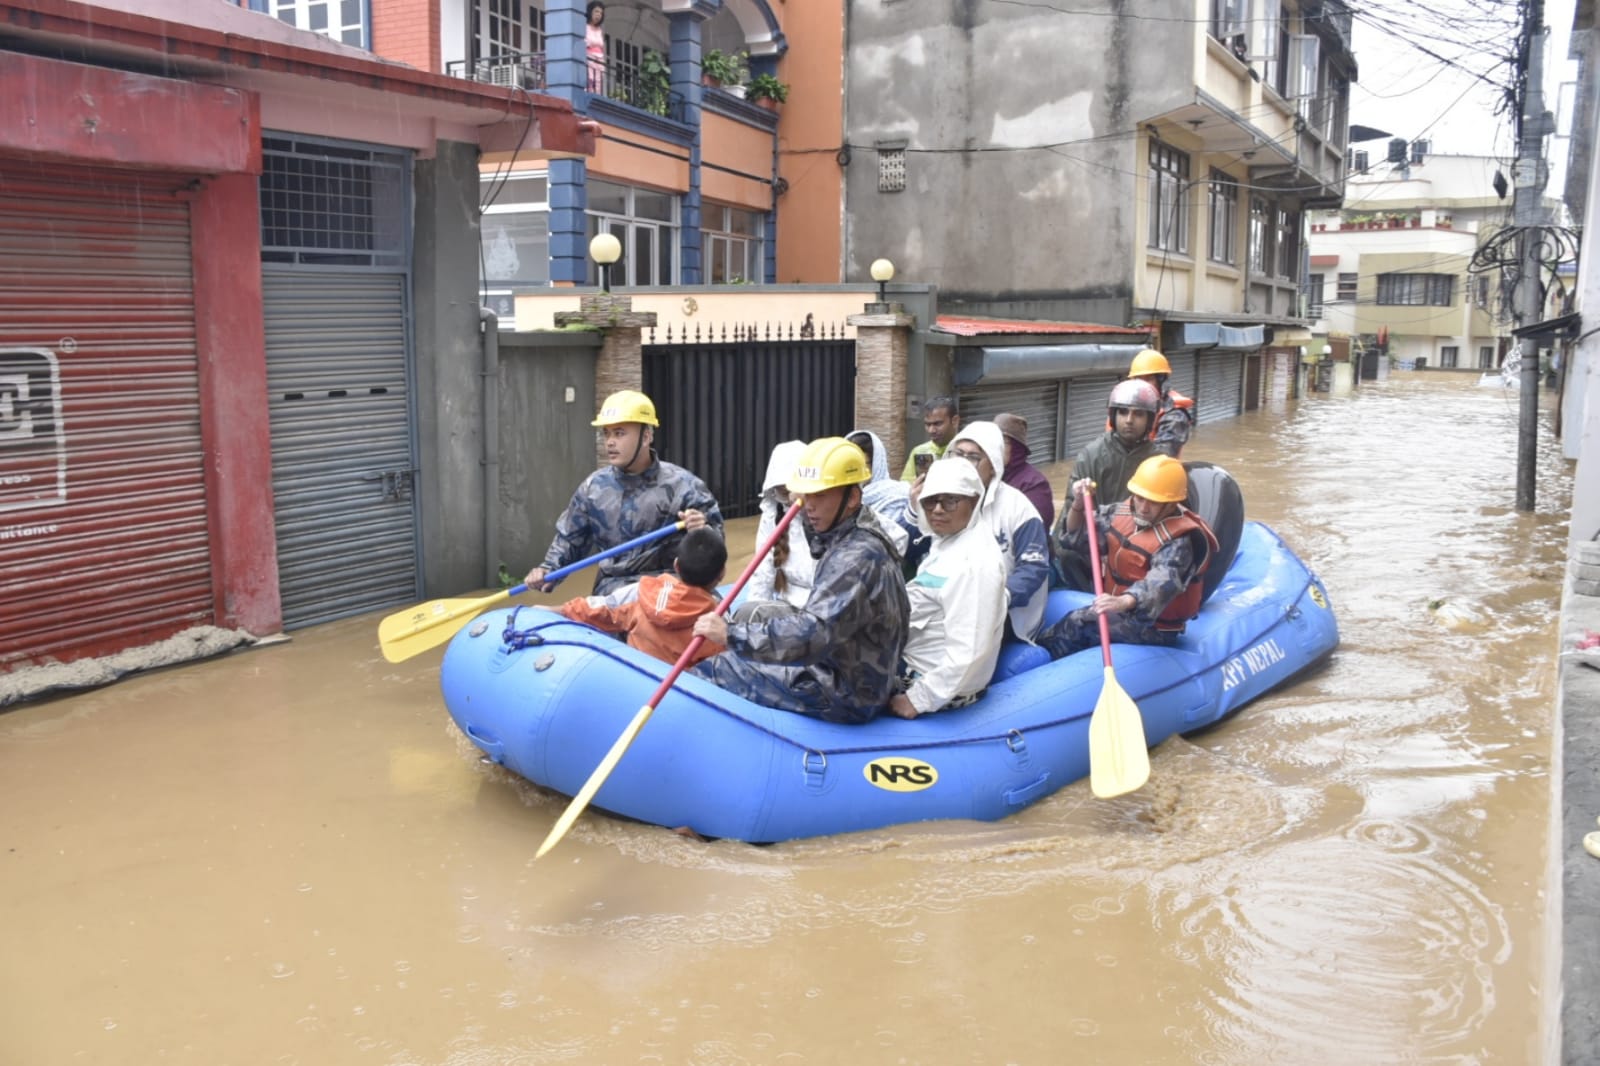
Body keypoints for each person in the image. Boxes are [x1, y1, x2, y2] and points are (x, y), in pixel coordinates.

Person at [690, 437, 909, 724]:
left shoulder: (854, 558)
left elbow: (813, 634)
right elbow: (816, 545)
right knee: (749, 621)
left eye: (819, 496)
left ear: (852, 497)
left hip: (846, 689)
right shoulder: (861, 525)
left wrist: (730, 635)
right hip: (855, 665)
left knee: (715, 668)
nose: (809, 507)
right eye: (805, 496)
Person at [524, 389, 720, 598]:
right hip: (615, 590)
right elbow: (570, 540)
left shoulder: (686, 486)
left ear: (646, 437)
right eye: (606, 433)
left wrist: (703, 531)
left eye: (619, 433)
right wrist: (548, 570)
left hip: (672, 587)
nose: (609, 442)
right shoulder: (593, 489)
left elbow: (716, 551)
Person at [1036, 455, 1220, 661]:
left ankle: (1042, 659)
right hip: (1121, 608)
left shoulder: (1179, 543)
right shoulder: (1123, 511)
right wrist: (1078, 504)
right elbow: (1075, 535)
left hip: (1153, 626)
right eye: (1140, 498)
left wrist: (1123, 601)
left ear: (1170, 504)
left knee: (1079, 621)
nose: (1143, 507)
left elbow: (1159, 585)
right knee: (1079, 615)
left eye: (1153, 502)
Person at [887, 459, 1009, 719]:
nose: (938, 510)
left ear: (975, 501)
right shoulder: (948, 542)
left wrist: (917, 700)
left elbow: (970, 650)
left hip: (928, 684)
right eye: (931, 501)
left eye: (950, 501)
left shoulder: (974, 563)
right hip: (913, 664)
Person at [916, 421, 1050, 642]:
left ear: (994, 465)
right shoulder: (940, 499)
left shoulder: (1019, 508)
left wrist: (997, 597)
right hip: (947, 601)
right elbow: (924, 550)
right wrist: (916, 510)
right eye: (957, 454)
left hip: (1003, 612)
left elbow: (1033, 567)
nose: (963, 463)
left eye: (973, 457)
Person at [558, 527, 728, 667]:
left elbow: (600, 609)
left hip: (635, 677)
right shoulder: (719, 628)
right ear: (722, 574)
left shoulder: (642, 592)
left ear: (676, 565)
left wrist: (559, 610)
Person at [1053, 379, 1161, 590]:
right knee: (1067, 556)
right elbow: (1071, 513)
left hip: (1137, 542)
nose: (1129, 420)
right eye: (1123, 413)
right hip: (1093, 539)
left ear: (1149, 420)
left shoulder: (1158, 462)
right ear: (1113, 416)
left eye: (1138, 414)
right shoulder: (1091, 455)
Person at [745, 440, 815, 608]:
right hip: (788, 606)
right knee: (748, 613)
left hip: (825, 605)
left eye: (795, 490)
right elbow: (762, 572)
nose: (791, 498)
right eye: (783, 492)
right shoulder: (774, 511)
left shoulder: (823, 512)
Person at [846, 428, 914, 552]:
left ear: (877, 464)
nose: (853, 472)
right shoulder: (839, 497)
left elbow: (893, 542)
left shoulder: (895, 497)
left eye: (861, 465)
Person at [1128, 348, 1196, 458]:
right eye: (1139, 379)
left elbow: (1163, 454)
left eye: (1149, 379)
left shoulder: (1175, 414)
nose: (1143, 385)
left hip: (1158, 471)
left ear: (1160, 381)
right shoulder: (1127, 409)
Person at [994, 412, 1055, 527]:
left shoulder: (1034, 484)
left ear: (1016, 448)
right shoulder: (986, 476)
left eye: (1004, 442)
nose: (997, 447)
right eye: (993, 440)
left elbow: (1037, 527)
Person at [900, 396, 961, 481]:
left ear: (955, 421)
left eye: (937, 424)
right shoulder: (919, 452)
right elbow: (905, 486)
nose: (931, 430)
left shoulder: (966, 452)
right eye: (928, 424)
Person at [585, 1, 607, 92]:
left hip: (599, 59)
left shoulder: (599, 30)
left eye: (601, 13)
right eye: (596, 11)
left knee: (598, 81)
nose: (599, 15)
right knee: (590, 79)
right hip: (589, 57)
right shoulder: (585, 27)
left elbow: (601, 46)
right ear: (590, 12)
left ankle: (596, 94)